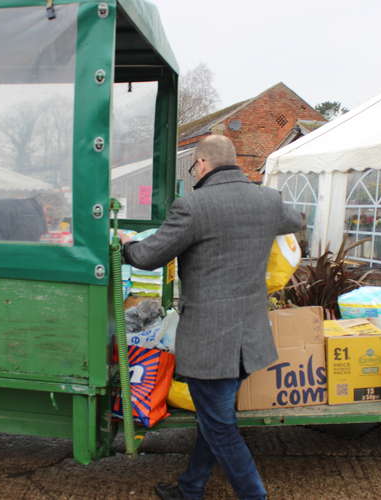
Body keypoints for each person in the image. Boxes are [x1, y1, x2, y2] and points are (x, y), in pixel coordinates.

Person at [120, 135, 304, 500]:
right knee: (214, 418)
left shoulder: (193, 205)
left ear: (202, 164)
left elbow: (147, 258)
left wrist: (127, 243)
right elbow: (296, 219)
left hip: (210, 342)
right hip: (249, 338)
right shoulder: (267, 200)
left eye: (194, 167)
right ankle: (190, 488)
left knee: (220, 426)